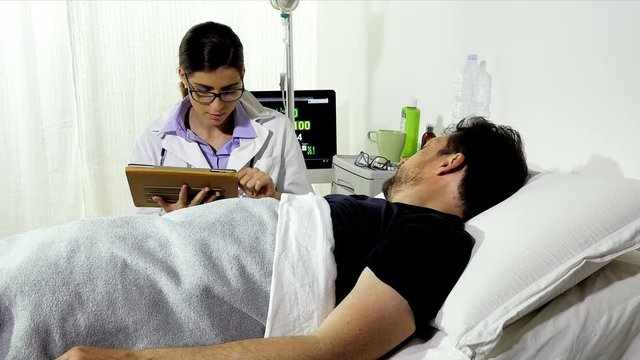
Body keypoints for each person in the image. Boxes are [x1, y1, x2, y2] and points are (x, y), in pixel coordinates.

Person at [10, 117, 526, 359]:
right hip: (145, 248)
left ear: (450, 160)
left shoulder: (434, 236)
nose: (408, 156)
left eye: (425, 147)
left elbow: (332, 350)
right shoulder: (387, 219)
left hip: (141, 278)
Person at [130, 21, 312, 214]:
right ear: (183, 77)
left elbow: (309, 214)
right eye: (203, 91)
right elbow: (142, 231)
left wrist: (274, 198)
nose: (217, 106)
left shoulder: (278, 129)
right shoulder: (153, 140)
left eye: (229, 90)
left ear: (242, 74)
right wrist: (174, 220)